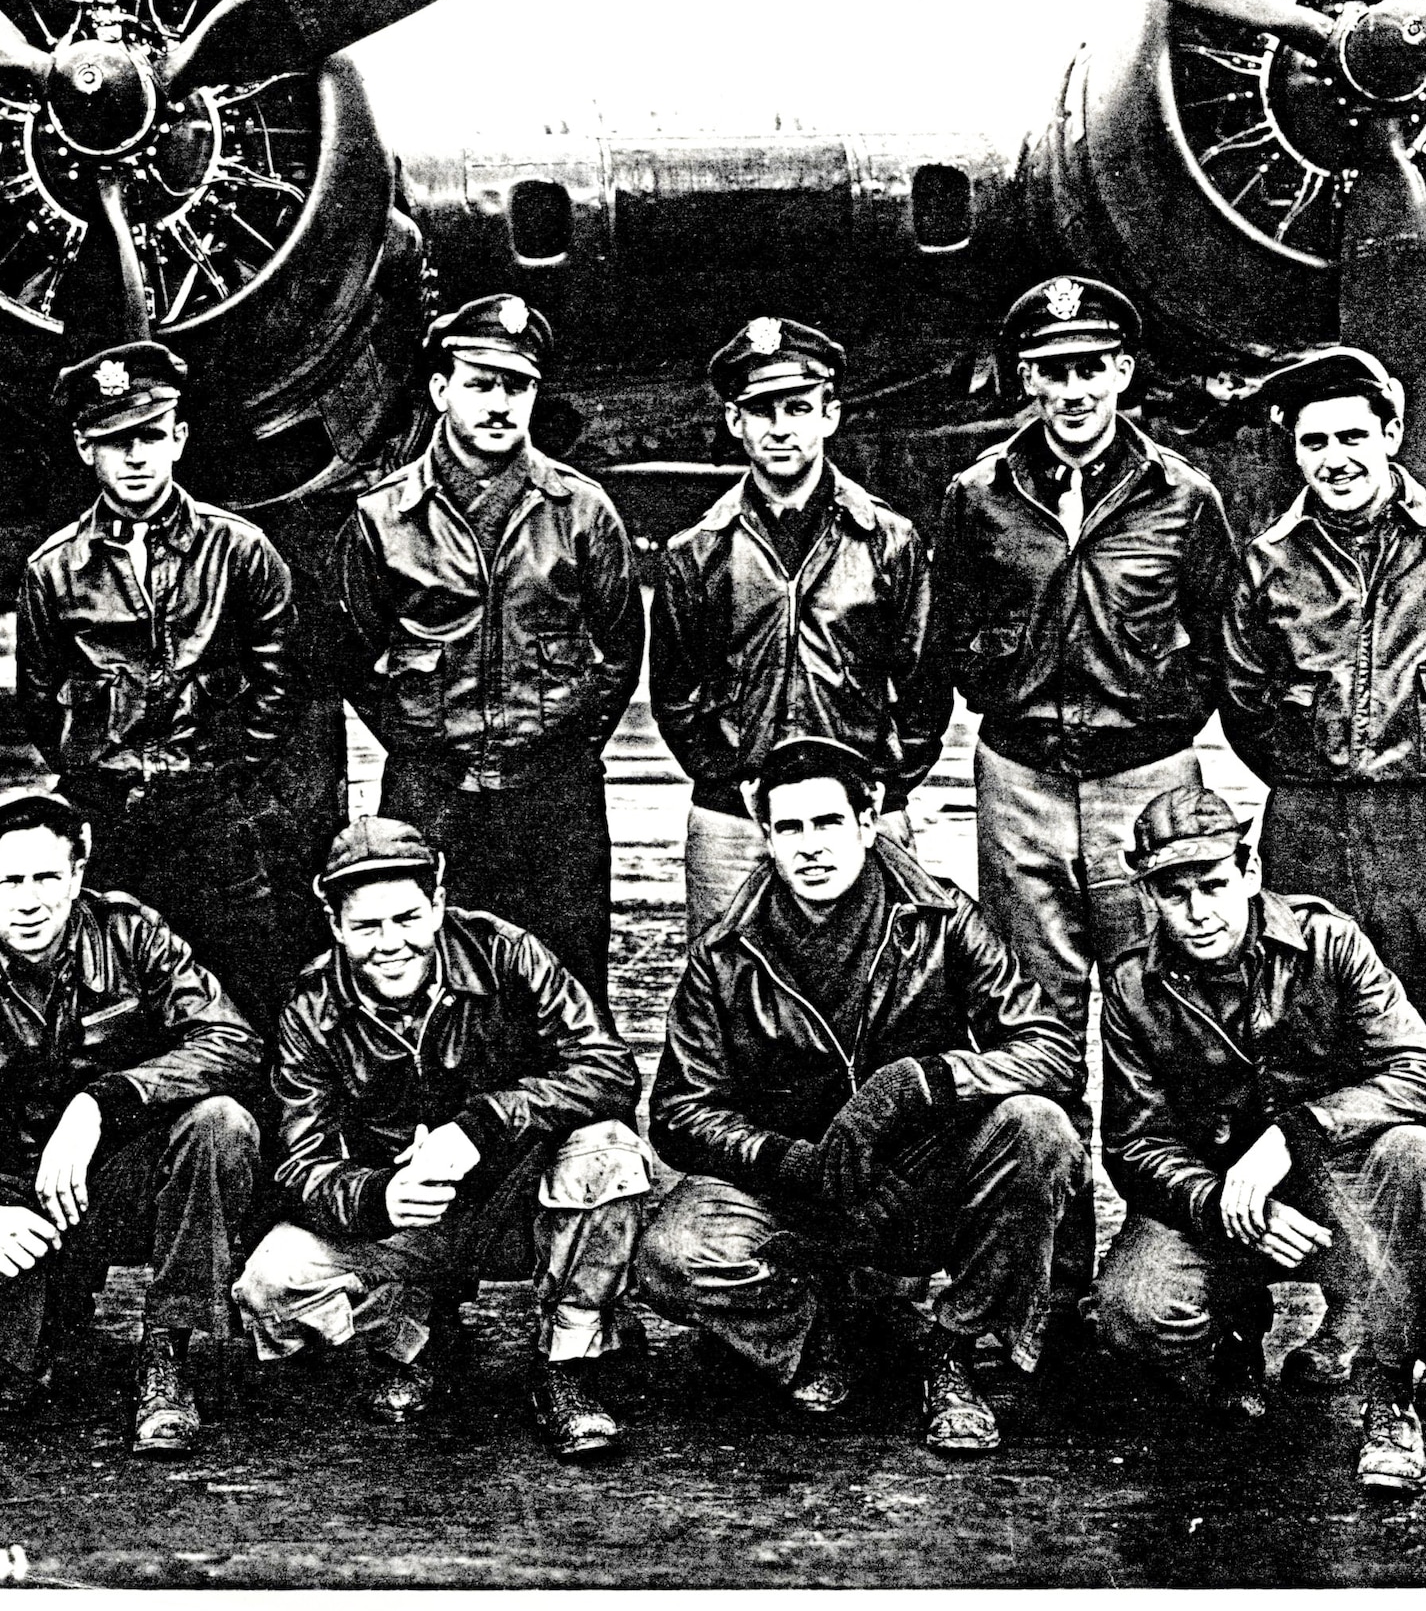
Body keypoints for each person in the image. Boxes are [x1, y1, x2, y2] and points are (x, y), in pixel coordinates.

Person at [634, 736, 1085, 1455]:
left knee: (1039, 1130)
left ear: (867, 822)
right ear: (765, 839)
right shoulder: (724, 954)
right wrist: (785, 1158)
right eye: (789, 828)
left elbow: (1050, 1049)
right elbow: (682, 1112)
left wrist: (922, 1082)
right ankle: (817, 1333)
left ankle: (953, 1350)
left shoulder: (942, 919)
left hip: (921, 1177)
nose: (810, 847)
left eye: (827, 823)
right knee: (672, 1254)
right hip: (797, 1188)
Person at [929, 275, 1237, 1320]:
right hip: (1017, 773)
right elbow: (951, 625)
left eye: (1088, 367)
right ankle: (1045, 1285)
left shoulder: (1182, 494)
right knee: (1035, 1022)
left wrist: (1156, 717)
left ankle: (1183, 1274)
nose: (1070, 389)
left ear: (1120, 371)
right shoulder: (975, 495)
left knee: (1166, 1011)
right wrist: (1004, 693)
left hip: (1143, 777)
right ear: (1025, 379)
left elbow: (1219, 633)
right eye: (1048, 370)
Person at [0, 790, 261, 1453]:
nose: (30, 899)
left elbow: (231, 1040)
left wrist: (105, 1100)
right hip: (4, 1196)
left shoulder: (134, 934)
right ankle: (32, 1340)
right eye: (10, 880)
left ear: (77, 873)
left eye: (46, 876)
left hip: (114, 1183)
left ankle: (166, 1355)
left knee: (221, 1123)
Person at [233, 817, 651, 1461]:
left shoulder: (508, 953)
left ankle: (565, 1363)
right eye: (366, 927)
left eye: (406, 918)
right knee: (270, 1285)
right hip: (411, 1222)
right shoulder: (310, 1008)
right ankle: (414, 1338)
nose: (390, 943)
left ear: (438, 906)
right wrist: (379, 1197)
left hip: (522, 1197)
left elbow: (606, 1067)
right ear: (336, 926)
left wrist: (482, 1124)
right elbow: (296, 1163)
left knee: (610, 1150)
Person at [1094, 785, 1426, 1491]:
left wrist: (1295, 1133)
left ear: (1250, 874)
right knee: (1132, 1311)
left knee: (1419, 1158)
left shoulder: (1329, 941)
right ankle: (1232, 1343)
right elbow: (1134, 1146)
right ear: (1150, 898)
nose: (1198, 912)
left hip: (1339, 1181)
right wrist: (1223, 1204)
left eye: (1213, 885)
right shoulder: (1130, 984)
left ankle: (1390, 1395)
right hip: (1217, 1194)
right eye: (1174, 894)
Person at [1219, 346, 1426, 1389]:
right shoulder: (1267, 562)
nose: (1332, 457)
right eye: (1312, 440)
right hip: (1313, 818)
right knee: (1316, 1047)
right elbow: (1243, 701)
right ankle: (1347, 1309)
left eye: (1348, 435)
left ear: (1390, 434)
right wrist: (1312, 785)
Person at [332, 295, 644, 1022]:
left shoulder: (582, 509)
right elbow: (351, 656)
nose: (500, 404)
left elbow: (620, 649)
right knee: (429, 981)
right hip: (432, 797)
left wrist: (563, 739)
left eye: (517, 386)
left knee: (568, 984)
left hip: (553, 797)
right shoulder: (382, 518)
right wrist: (420, 737)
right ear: (441, 390)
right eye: (479, 383)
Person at [16, 340, 302, 1038]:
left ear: (178, 437)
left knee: (244, 989)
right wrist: (93, 768)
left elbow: (281, 677)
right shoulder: (52, 570)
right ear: (86, 449)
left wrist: (232, 773)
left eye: (149, 436)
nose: (135, 457)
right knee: (115, 1001)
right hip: (110, 821)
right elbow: (38, 695)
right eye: (115, 441)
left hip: (211, 814)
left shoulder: (239, 550)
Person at [651, 316, 950, 946]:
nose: (781, 427)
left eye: (798, 407)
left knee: (884, 981)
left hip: (860, 808)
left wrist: (883, 783)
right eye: (761, 410)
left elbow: (925, 682)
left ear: (830, 414)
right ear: (736, 422)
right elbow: (676, 693)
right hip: (736, 816)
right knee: (727, 982)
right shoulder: (697, 551)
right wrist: (730, 776)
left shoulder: (888, 540)